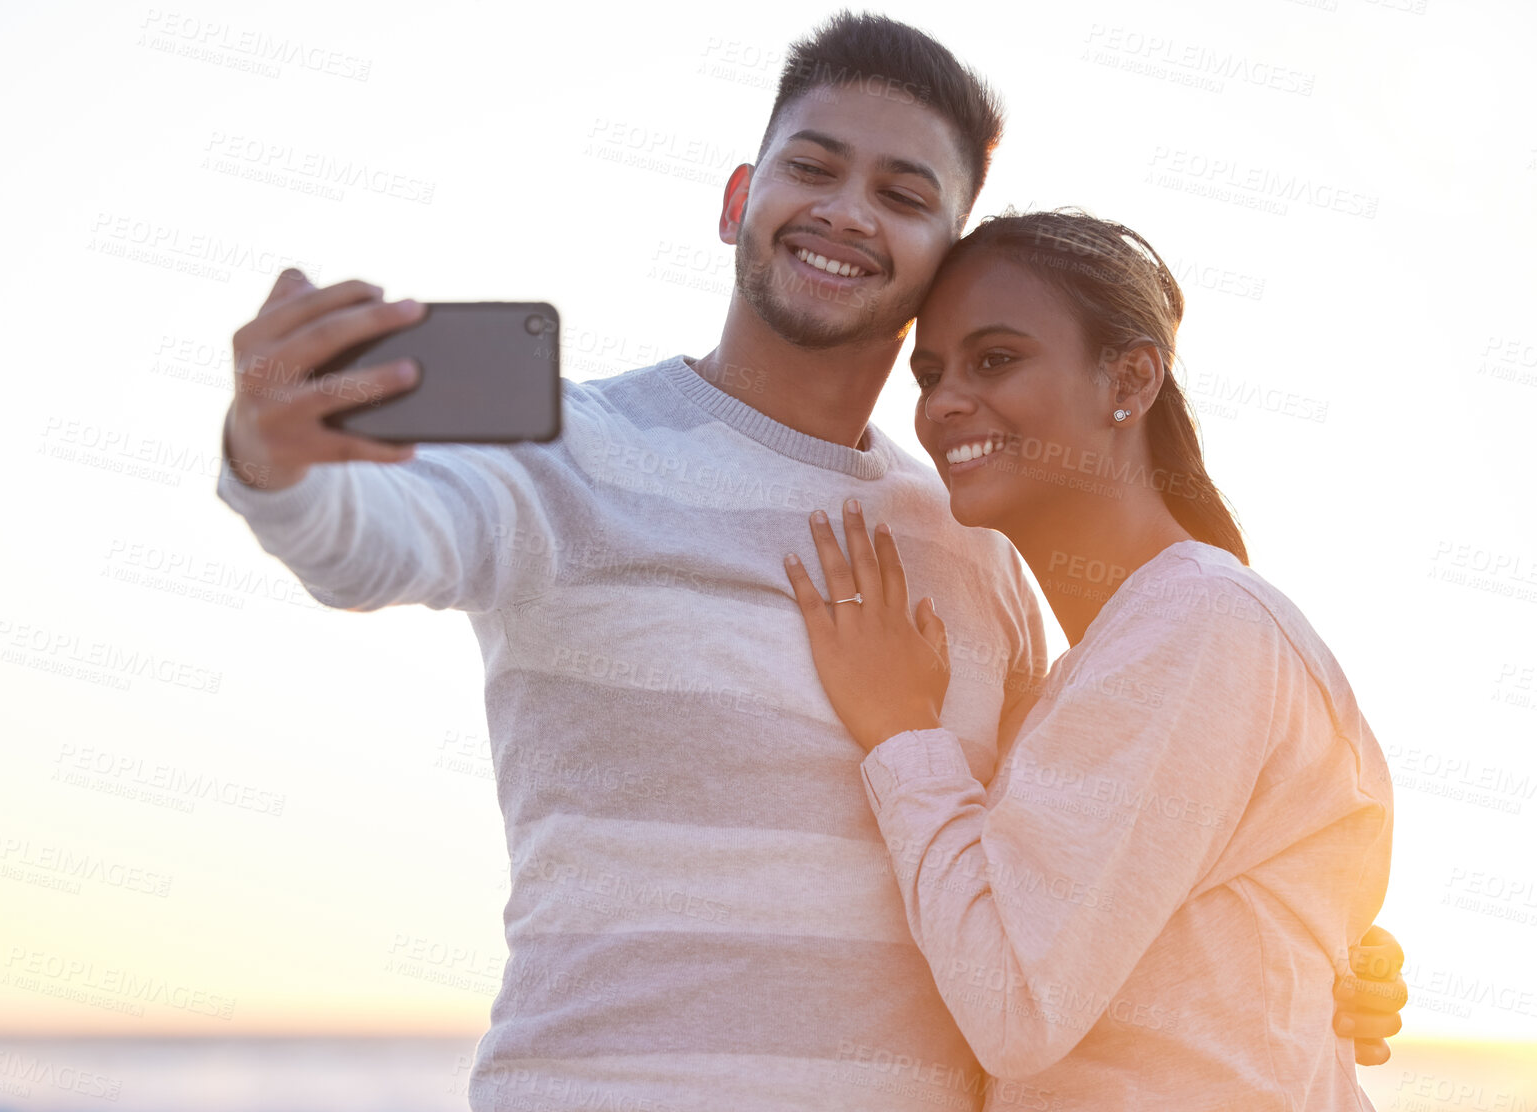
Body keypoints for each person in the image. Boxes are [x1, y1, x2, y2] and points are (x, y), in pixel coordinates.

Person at [216, 14, 1406, 1109]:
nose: (845, 209)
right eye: (811, 166)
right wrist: (278, 462)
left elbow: (1056, 863)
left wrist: (1306, 950)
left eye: (901, 191)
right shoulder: (569, 454)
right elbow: (371, 544)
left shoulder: (971, 543)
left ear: (941, 254)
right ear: (740, 197)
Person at [783, 209, 1394, 1106]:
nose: (945, 400)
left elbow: (1017, 1008)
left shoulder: (1197, 625)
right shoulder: (1128, 652)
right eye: (930, 372)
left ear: (1131, 379)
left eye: (996, 359)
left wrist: (901, 731)